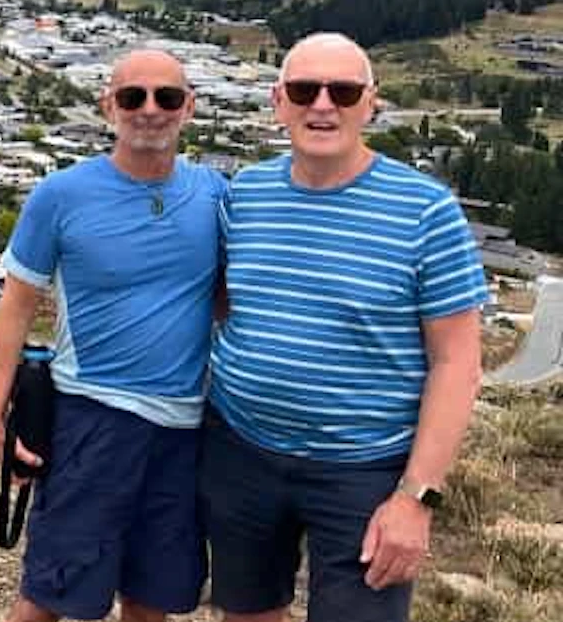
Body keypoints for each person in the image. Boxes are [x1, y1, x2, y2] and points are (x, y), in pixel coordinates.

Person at [206, 32, 487, 622]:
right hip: (241, 452)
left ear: (370, 102)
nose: (323, 104)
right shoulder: (246, 195)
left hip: (365, 471)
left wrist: (417, 498)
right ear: (278, 101)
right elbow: (224, 307)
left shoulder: (427, 214)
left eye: (343, 90)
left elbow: (457, 363)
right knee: (247, 612)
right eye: (306, 90)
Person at [0, 48, 227, 622]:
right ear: (108, 106)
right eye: (132, 97)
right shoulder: (60, 195)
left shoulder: (218, 196)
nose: (149, 110)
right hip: (90, 419)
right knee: (51, 591)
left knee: (153, 595)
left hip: (185, 429)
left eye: (166, 97)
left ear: (188, 108)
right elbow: (16, 308)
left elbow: (222, 301)